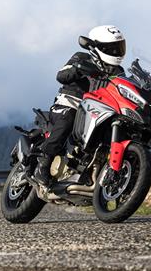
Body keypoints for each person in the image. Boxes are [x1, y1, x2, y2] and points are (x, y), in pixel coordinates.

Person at [32, 25, 127, 186]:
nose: (116, 52)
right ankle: (43, 163)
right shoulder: (81, 57)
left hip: (99, 109)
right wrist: (77, 69)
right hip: (71, 102)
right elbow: (61, 76)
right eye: (111, 48)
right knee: (67, 120)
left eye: (118, 47)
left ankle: (94, 169)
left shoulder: (119, 71)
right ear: (97, 47)